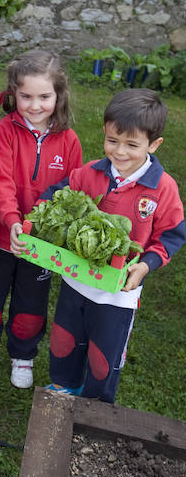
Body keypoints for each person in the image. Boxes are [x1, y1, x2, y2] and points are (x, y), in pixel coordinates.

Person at [45, 88, 185, 403]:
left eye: (132, 145)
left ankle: (96, 405)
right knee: (65, 339)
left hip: (118, 294)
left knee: (103, 354)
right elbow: (58, 193)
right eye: (112, 141)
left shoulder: (162, 188)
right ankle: (65, 386)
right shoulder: (91, 172)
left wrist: (146, 265)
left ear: (154, 144)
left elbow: (172, 234)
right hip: (75, 279)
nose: (119, 152)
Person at [0, 50, 82, 389]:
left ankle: (23, 355)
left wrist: (43, 233)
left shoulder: (70, 140)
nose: (35, 105)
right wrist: (12, 221)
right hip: (4, 237)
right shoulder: (4, 132)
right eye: (27, 96)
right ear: (14, 94)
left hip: (43, 247)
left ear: (58, 95)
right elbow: (0, 182)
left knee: (31, 305)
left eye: (44, 96)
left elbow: (71, 193)